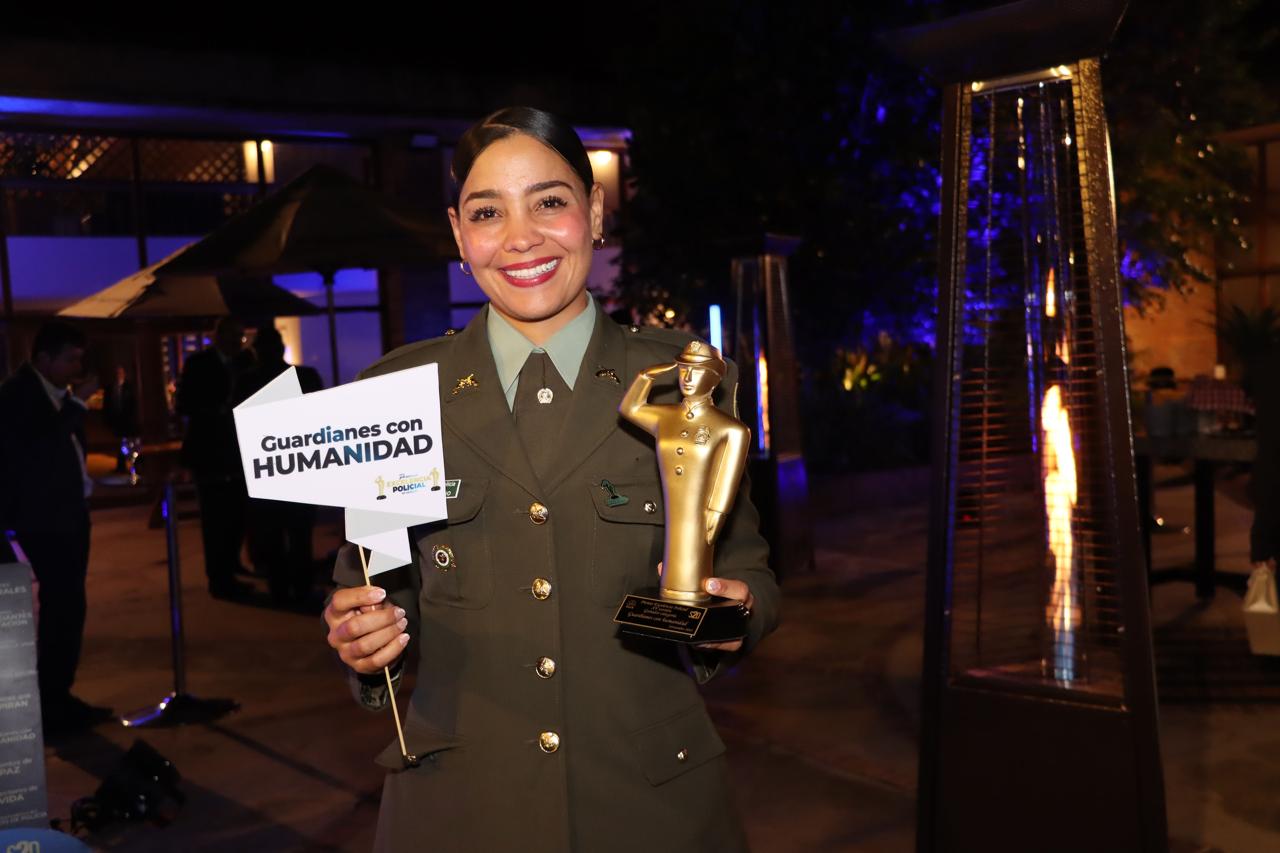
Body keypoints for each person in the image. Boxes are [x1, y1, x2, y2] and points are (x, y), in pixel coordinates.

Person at [323, 107, 780, 852]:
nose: (520, 236)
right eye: (487, 212)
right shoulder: (395, 394)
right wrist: (362, 636)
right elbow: (373, 590)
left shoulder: (679, 381)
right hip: (459, 808)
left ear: (595, 211)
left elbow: (748, 577)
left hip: (647, 805)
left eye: (550, 201)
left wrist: (728, 615)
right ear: (458, 234)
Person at [0, 321, 112, 735]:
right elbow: (37, 449)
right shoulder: (17, 395)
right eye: (70, 359)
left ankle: (58, 696)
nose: (76, 367)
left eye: (79, 359)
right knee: (61, 607)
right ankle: (52, 703)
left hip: (68, 514)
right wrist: (77, 405)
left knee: (69, 607)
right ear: (43, 358)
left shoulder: (56, 394)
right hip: (43, 519)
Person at [235, 327, 324, 605]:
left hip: (270, 469)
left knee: (274, 533)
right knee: (298, 534)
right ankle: (299, 587)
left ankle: (281, 589)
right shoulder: (304, 376)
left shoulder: (248, 380)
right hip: (298, 466)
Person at [176, 317, 254, 600]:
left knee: (236, 515)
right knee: (214, 519)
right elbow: (183, 403)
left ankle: (231, 564)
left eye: (240, 336)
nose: (237, 342)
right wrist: (217, 409)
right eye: (233, 336)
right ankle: (219, 579)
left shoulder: (245, 362)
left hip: (238, 452)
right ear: (218, 336)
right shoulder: (199, 363)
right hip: (209, 453)